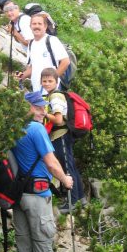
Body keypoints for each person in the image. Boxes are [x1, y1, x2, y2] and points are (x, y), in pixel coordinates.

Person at [12, 90, 73, 252]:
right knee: (43, 245)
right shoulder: (36, 129)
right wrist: (66, 180)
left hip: (19, 197)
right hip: (37, 196)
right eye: (36, 107)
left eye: (43, 106)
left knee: (24, 246)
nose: (42, 111)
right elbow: (51, 162)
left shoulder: (12, 129)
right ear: (25, 107)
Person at [40, 67, 86, 213]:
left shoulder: (55, 97)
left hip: (61, 135)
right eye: (44, 81)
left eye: (50, 81)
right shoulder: (52, 95)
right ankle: (80, 199)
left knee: (66, 168)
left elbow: (59, 120)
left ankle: (72, 201)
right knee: (70, 166)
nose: (47, 84)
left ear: (56, 81)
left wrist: (44, 114)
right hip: (61, 136)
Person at [16, 14, 70, 92]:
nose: (36, 26)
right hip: (36, 90)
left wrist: (52, 81)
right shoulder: (31, 44)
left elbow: (65, 62)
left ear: (45, 26)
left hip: (51, 91)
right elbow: (32, 67)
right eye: (34, 24)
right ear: (30, 26)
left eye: (39, 24)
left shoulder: (51, 40)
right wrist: (21, 77)